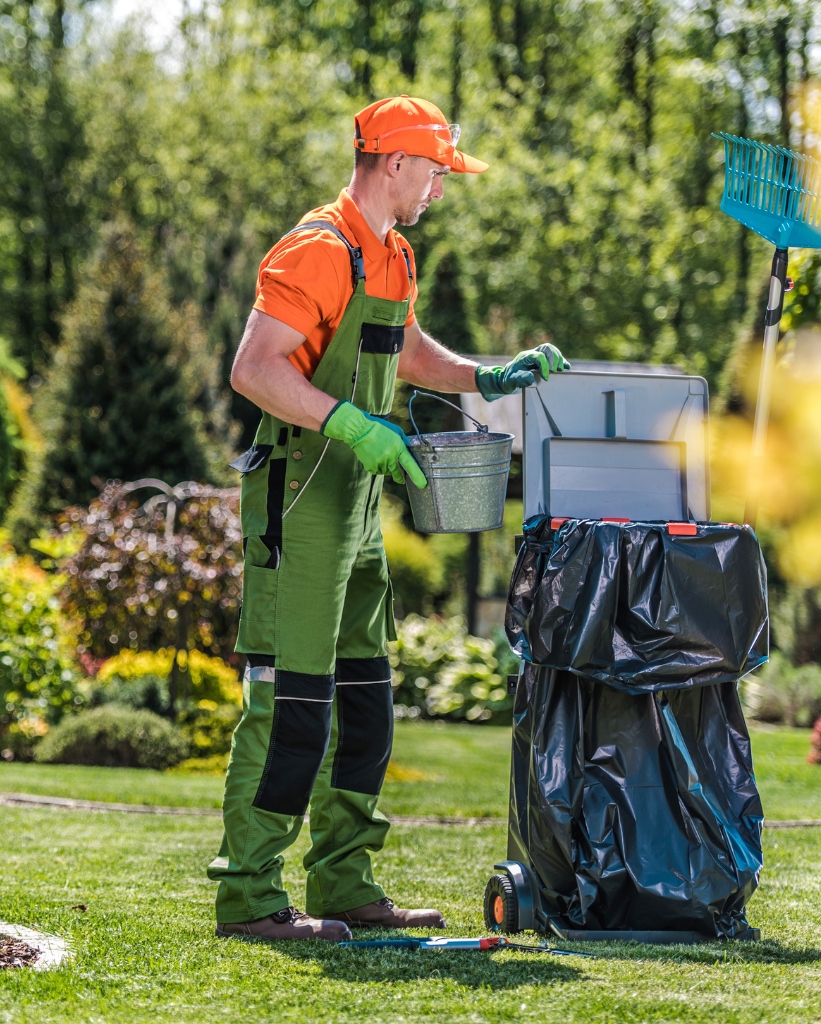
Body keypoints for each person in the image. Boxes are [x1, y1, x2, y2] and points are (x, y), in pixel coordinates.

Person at [209, 95, 570, 943]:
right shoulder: (318, 248)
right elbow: (255, 370)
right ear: (397, 162)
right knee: (291, 700)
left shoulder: (392, 255)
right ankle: (251, 894)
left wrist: (486, 378)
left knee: (366, 698)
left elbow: (403, 349)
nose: (443, 184)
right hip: (301, 499)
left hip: (361, 504)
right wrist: (346, 422)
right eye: (438, 168)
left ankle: (343, 879)